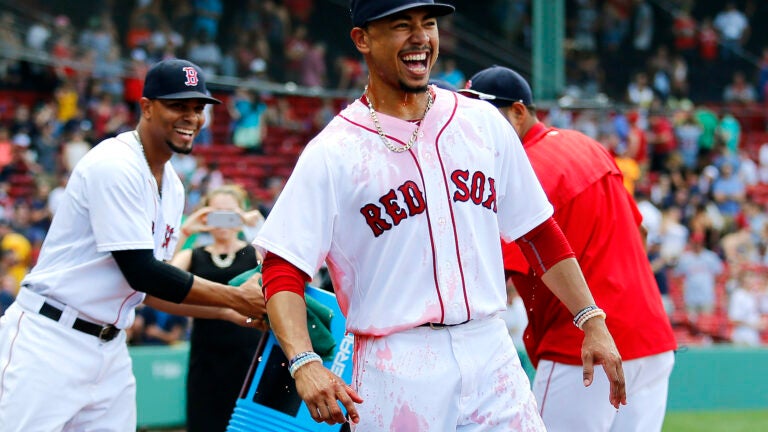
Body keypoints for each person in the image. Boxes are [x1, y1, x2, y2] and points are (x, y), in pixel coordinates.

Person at [254, 2, 626, 430]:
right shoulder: (334, 151)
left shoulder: (482, 122)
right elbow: (283, 266)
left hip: (490, 350)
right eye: (401, 25)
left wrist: (591, 319)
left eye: (427, 23)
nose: (420, 37)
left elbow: (538, 232)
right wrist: (303, 362)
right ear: (362, 40)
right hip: (397, 362)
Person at [0, 58, 266, 432]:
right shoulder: (115, 163)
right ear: (146, 107)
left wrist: (226, 313)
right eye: (177, 105)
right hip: (51, 339)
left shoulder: (172, 185)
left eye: (197, 107)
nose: (191, 116)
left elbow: (146, 291)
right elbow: (143, 271)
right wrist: (237, 298)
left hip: (109, 350)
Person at [459, 65, 677, 432]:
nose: (474, 128)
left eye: (485, 116)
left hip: (583, 349)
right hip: (652, 340)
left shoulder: (521, 169)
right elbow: (637, 232)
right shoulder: (587, 146)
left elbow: (486, 271)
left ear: (519, 111)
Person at [170, 184, 264, 432]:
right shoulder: (193, 254)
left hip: (250, 351)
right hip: (206, 353)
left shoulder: (254, 252)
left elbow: (276, 267)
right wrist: (186, 229)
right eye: (216, 212)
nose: (223, 220)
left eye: (229, 212)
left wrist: (254, 225)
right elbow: (161, 278)